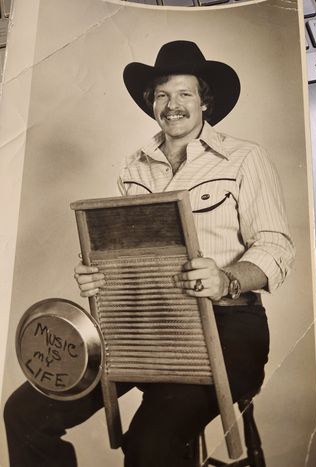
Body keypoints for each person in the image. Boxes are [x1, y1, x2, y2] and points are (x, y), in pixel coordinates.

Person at [4, 40, 295, 467]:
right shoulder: (134, 167)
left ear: (204, 102)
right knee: (24, 413)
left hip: (230, 327)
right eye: (162, 94)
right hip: (147, 329)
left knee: (149, 445)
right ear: (151, 103)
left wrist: (227, 277)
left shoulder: (244, 158)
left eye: (184, 94)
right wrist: (97, 275)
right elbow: (130, 258)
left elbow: (276, 246)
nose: (171, 104)